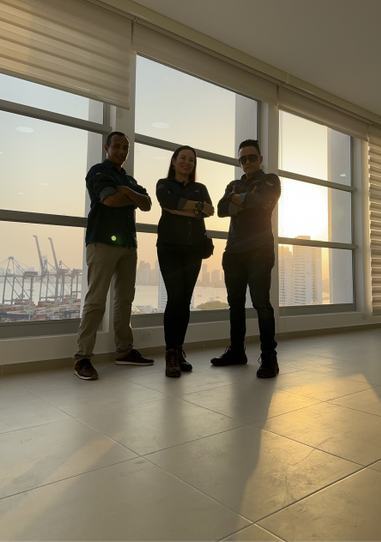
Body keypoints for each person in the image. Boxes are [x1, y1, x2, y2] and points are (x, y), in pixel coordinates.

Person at [74, 131, 155, 381]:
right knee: (96, 300)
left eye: (125, 148)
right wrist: (131, 196)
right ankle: (82, 358)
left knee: (125, 300)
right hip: (102, 242)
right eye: (117, 146)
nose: (121, 151)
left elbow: (147, 203)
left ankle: (124, 351)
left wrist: (126, 191)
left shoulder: (127, 179)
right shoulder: (98, 171)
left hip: (128, 244)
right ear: (107, 148)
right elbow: (109, 200)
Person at [212, 139, 282, 378]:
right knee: (235, 304)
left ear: (260, 159)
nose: (247, 162)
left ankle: (269, 356)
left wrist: (237, 199)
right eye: (243, 159)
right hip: (233, 251)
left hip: (259, 250)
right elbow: (221, 209)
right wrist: (245, 200)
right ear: (239, 162)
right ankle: (236, 351)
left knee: (261, 303)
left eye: (252, 157)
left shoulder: (270, 180)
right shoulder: (234, 184)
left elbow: (262, 200)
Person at [155, 146, 215, 378]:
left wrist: (182, 207)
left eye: (191, 159)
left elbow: (209, 210)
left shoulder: (201, 188)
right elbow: (166, 202)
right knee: (175, 297)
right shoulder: (164, 184)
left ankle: (178, 349)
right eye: (183, 158)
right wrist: (196, 207)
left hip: (193, 249)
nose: (187, 162)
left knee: (185, 300)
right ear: (173, 161)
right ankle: (170, 352)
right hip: (169, 248)